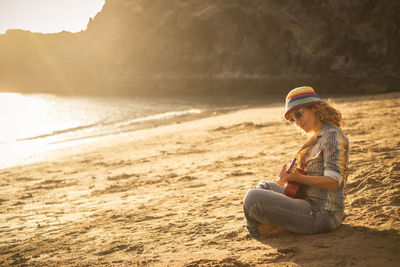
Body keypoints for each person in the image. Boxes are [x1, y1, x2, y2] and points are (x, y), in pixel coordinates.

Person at [243, 86, 349, 238]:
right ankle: (280, 225)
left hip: (323, 213)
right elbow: (308, 179)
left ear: (315, 108)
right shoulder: (315, 137)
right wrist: (288, 180)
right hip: (307, 200)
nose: (297, 122)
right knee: (264, 186)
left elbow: (333, 181)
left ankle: (259, 231)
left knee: (252, 198)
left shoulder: (331, 136)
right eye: (292, 119)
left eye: (299, 114)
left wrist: (298, 178)